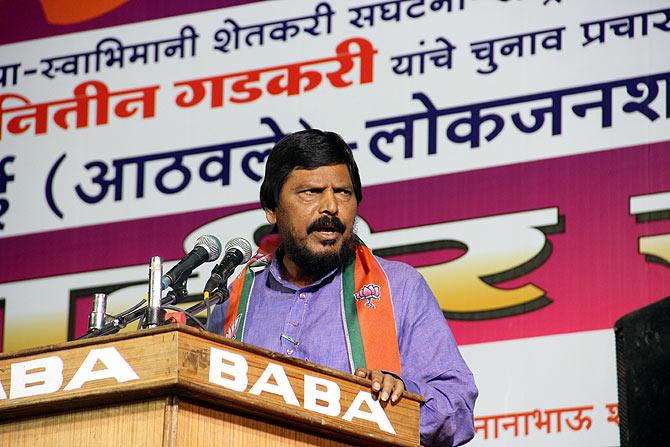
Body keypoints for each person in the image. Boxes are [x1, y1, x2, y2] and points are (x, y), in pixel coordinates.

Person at [207, 129, 477, 446]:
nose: (331, 208)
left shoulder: (399, 287)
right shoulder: (235, 299)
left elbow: (456, 407)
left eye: (343, 193)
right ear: (271, 209)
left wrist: (401, 394)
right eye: (311, 192)